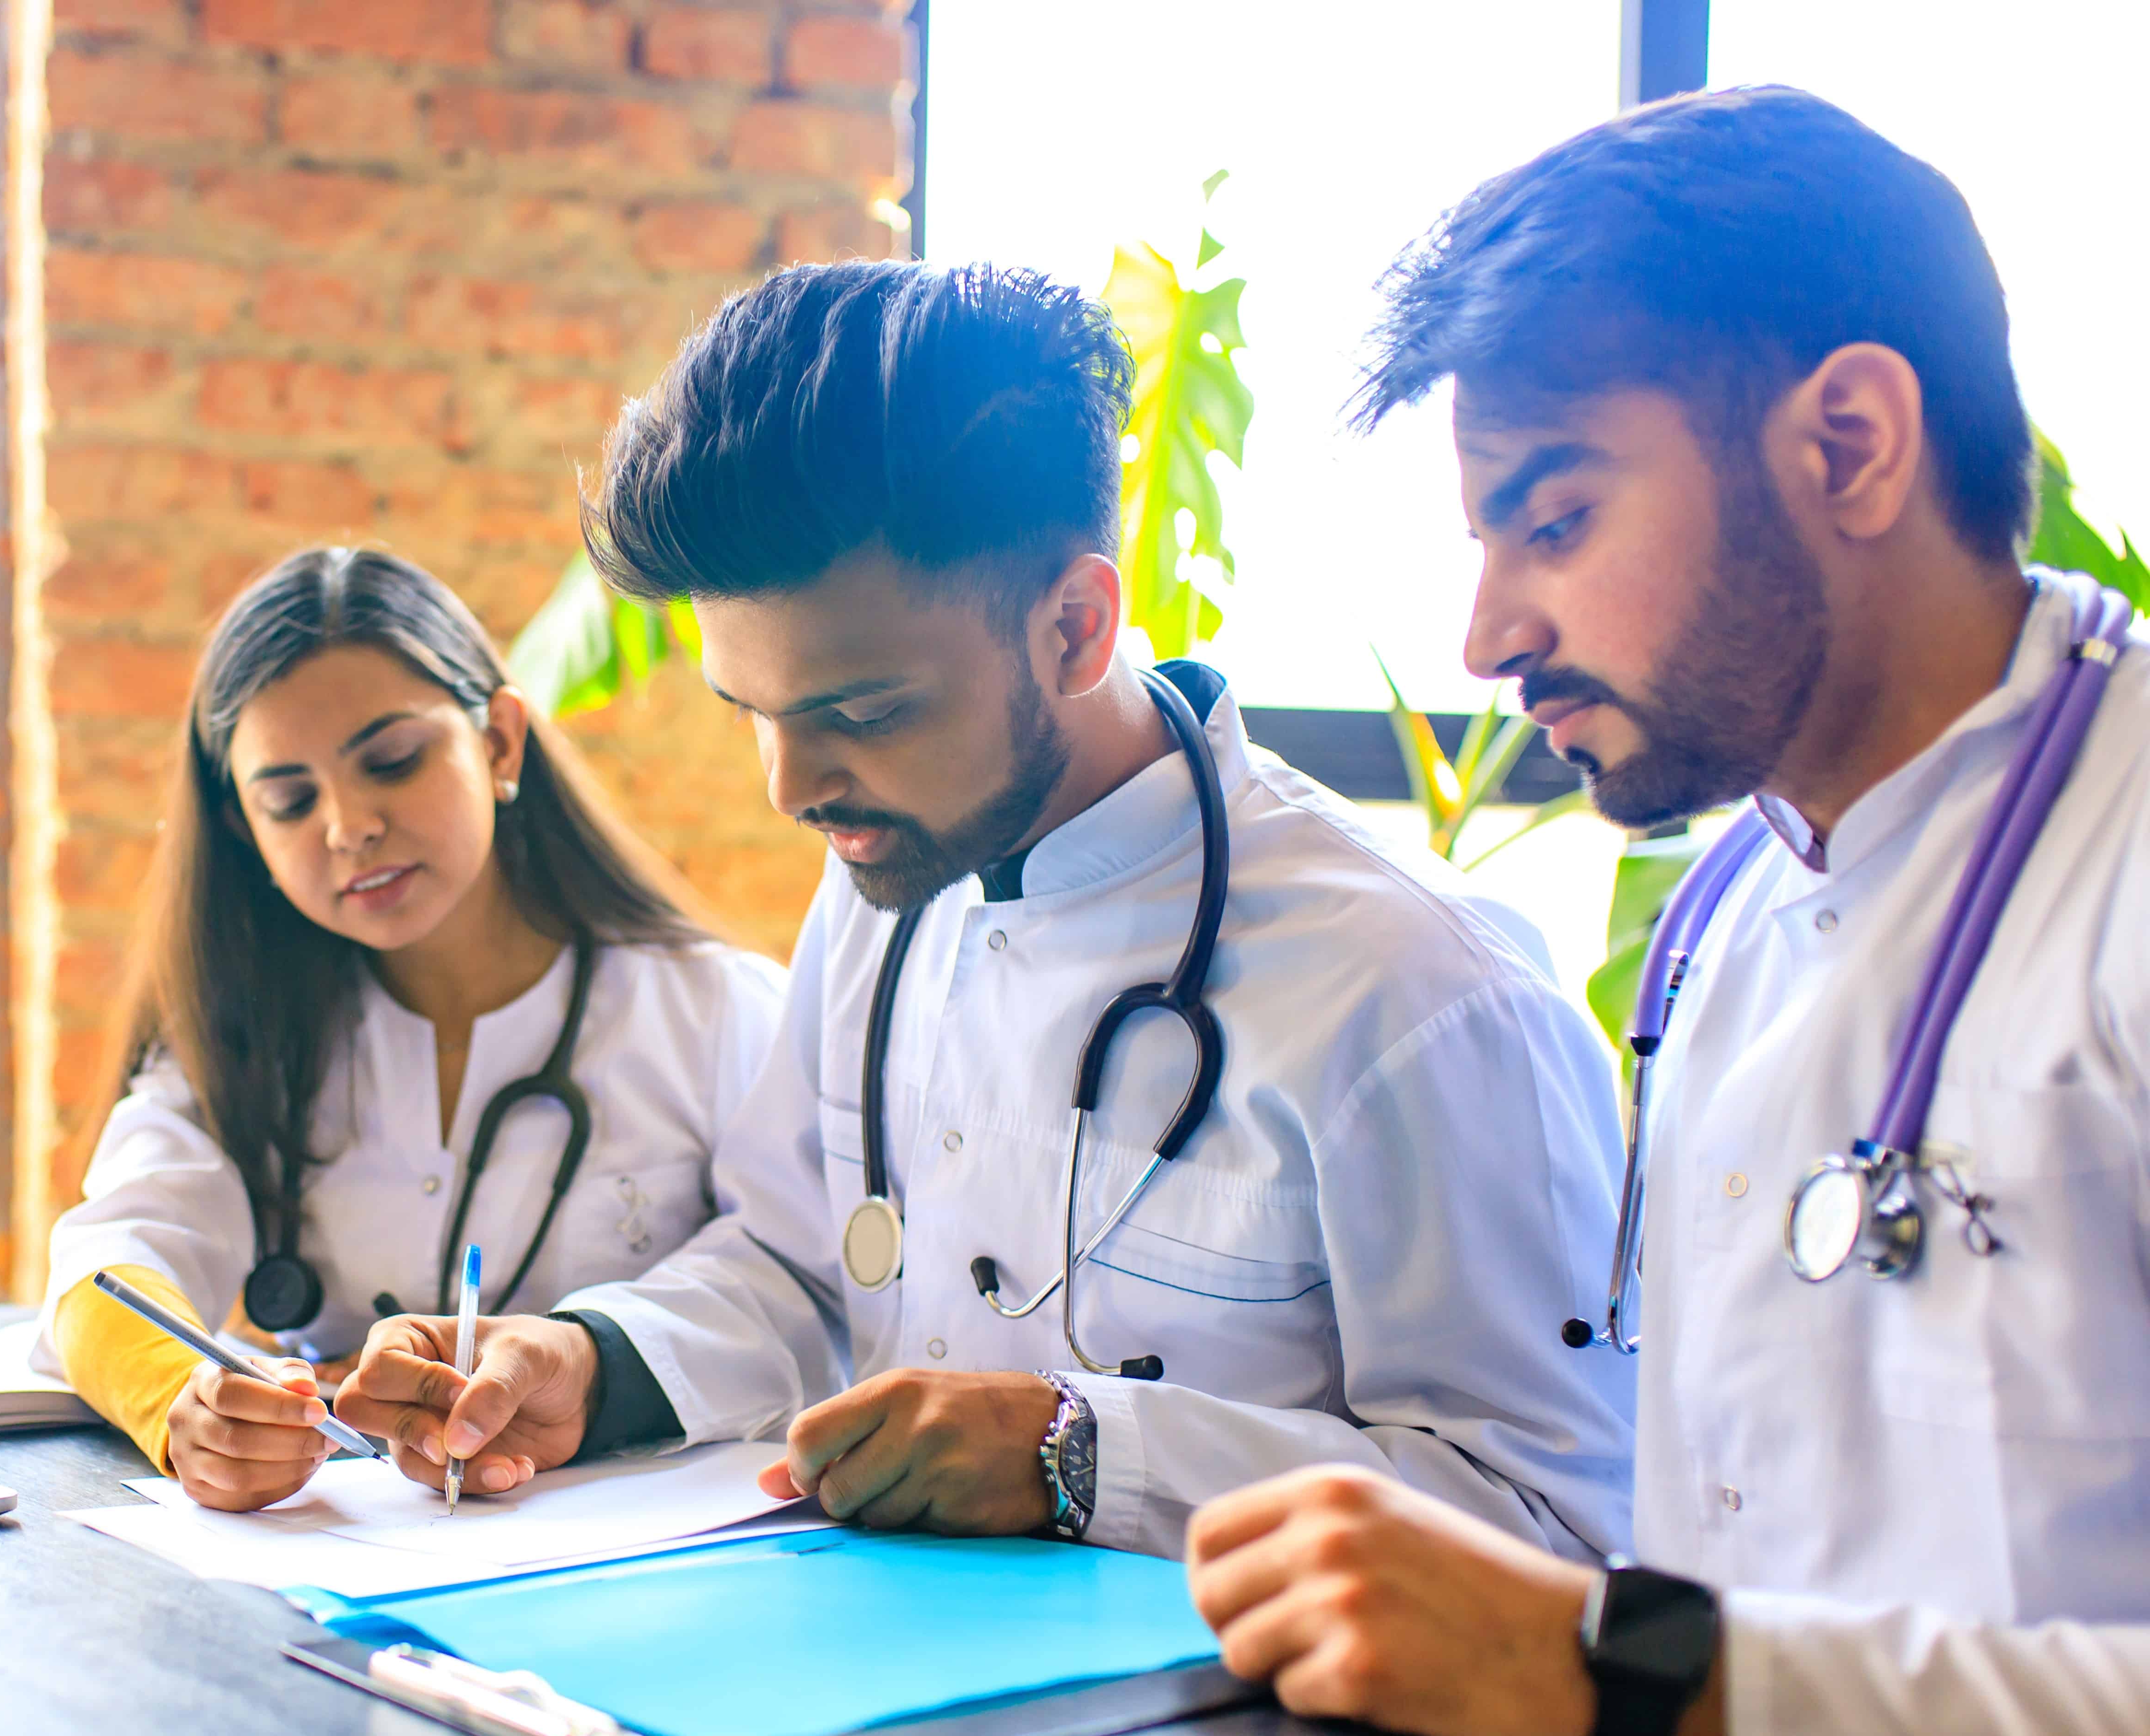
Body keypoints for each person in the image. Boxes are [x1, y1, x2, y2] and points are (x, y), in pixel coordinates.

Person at [1184, 88, 2150, 1736]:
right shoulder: (1719, 914)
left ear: (1849, 444)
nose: (1490, 633)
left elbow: (1666, 1659)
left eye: (1557, 516)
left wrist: (1624, 1669)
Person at [335, 261, 1632, 1576]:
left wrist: (1087, 1456)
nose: (793, 789)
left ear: (1074, 625)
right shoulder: (885, 881)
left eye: (864, 713)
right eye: (755, 718)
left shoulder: (1417, 991)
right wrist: (590, 1362)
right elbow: (800, 1265)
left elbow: (1562, 1522)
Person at [35, 546, 782, 1509]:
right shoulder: (240, 1034)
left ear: (501, 743)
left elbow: (800, 1293)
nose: (349, 827)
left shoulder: (717, 1013)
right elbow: (108, 1263)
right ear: (243, 830)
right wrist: (187, 1403)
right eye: (290, 800)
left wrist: (597, 1360)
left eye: (392, 761)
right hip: (341, 1573)